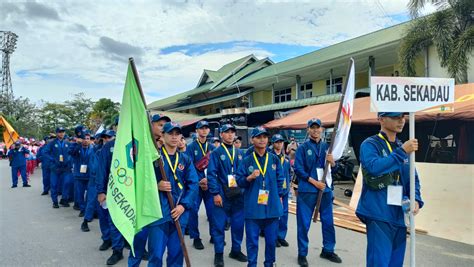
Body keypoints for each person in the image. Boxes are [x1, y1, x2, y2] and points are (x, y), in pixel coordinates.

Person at [356, 112, 423, 267]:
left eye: (403, 117)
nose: (401, 120)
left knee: (396, 263)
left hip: (399, 214)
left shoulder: (402, 147)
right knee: (379, 263)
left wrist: (417, 199)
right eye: (395, 117)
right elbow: (373, 167)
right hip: (379, 213)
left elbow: (413, 179)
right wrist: (401, 153)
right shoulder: (371, 144)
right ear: (381, 119)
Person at [147, 122, 198, 266]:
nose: (174, 137)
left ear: (182, 136)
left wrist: (183, 205)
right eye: (170, 133)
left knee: (176, 255)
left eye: (177, 134)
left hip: (179, 214)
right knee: (156, 255)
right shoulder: (154, 158)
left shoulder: (185, 159)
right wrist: (156, 185)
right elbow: (142, 183)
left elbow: (193, 184)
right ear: (162, 136)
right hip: (158, 214)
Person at [294, 118, 342, 266]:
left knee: (328, 222)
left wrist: (332, 162)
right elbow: (298, 169)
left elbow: (334, 169)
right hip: (308, 190)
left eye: (318, 127)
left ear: (321, 129)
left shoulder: (327, 147)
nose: (315, 130)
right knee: (303, 223)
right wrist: (314, 182)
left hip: (325, 190)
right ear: (308, 130)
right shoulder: (302, 148)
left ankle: (328, 249)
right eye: (312, 127)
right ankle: (302, 253)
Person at [236, 127, 284, 267]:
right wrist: (249, 177)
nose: (262, 139)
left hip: (272, 208)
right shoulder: (247, 161)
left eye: (264, 136)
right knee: (252, 242)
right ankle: (252, 264)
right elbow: (239, 181)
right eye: (258, 137)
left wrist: (278, 196)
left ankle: (269, 263)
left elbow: (281, 179)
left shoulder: (274, 159)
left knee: (271, 241)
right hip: (253, 208)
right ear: (252, 139)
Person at [207, 124, 247, 267]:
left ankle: (235, 250)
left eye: (232, 132)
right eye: (227, 132)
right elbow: (211, 174)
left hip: (238, 194)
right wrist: (215, 193)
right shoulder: (216, 153)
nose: (230, 135)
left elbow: (244, 173)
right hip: (222, 194)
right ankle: (218, 253)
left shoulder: (240, 153)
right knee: (219, 225)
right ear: (221, 135)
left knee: (237, 224)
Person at [96, 129, 125, 265]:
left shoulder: (137, 144)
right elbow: (101, 170)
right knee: (115, 222)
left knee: (136, 222)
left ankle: (138, 248)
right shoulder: (108, 146)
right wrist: (101, 191)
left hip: (133, 191)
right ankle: (117, 251)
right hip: (113, 190)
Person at [186, 120, 216, 250]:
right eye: (201, 128)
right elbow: (189, 166)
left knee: (213, 211)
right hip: (196, 185)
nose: (204, 130)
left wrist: (208, 180)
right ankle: (196, 237)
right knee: (193, 210)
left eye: (206, 128)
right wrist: (199, 181)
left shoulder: (213, 148)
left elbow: (215, 167)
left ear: (209, 131)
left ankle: (214, 235)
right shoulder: (191, 147)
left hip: (209, 185)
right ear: (197, 131)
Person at [270, 133, 292, 247]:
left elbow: (289, 173)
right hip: (273, 192)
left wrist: (289, 186)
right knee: (274, 215)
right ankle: (273, 237)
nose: (279, 144)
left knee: (284, 214)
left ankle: (281, 236)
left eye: (281, 142)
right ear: (273, 144)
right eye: (277, 142)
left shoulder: (286, 159)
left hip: (284, 191)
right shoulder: (269, 157)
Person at [43, 127, 73, 208]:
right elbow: (45, 152)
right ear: (56, 133)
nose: (61, 133)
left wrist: (69, 159)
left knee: (66, 183)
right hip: (55, 168)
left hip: (65, 167)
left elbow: (71, 152)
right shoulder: (52, 143)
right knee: (54, 185)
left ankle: (64, 199)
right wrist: (53, 159)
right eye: (60, 132)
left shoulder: (67, 143)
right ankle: (55, 202)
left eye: (63, 132)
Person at [69, 131, 93, 217]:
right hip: (79, 175)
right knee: (80, 194)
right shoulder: (77, 149)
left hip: (90, 175)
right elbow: (71, 153)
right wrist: (78, 144)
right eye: (84, 139)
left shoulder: (93, 149)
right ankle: (82, 209)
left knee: (90, 194)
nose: (86, 140)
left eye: (87, 139)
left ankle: (87, 209)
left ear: (90, 140)